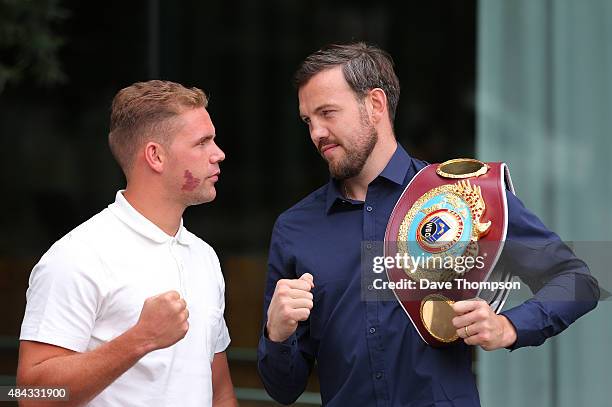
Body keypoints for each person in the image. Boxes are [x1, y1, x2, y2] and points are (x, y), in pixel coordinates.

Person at [257, 42, 599, 406]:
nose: (316, 133)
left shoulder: (465, 196)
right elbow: (284, 389)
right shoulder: (296, 228)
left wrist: (508, 326)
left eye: (328, 113)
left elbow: (579, 281)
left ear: (375, 105)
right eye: (308, 120)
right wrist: (276, 334)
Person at [17, 80, 237, 407]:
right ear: (155, 156)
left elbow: (219, 393)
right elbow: (32, 395)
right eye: (202, 142)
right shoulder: (77, 256)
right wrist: (140, 339)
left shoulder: (203, 256)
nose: (219, 154)